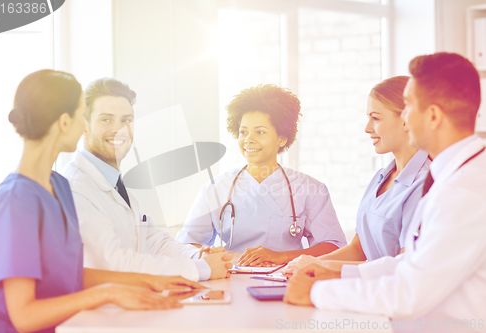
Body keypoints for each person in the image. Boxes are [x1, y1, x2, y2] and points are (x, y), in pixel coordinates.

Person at [0, 70, 205, 333]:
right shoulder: (16, 200)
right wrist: (108, 293)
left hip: (70, 325)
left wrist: (148, 281)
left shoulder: (59, 186)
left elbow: (71, 273)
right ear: (65, 122)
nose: (84, 126)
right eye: (82, 116)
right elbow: (23, 315)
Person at [284, 53, 486, 332]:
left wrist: (317, 292)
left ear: (433, 116)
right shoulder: (453, 176)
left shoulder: (466, 190)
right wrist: (337, 271)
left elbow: (410, 293)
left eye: (408, 107)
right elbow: (413, 262)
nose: (404, 118)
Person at [61, 78, 232, 282]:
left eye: (126, 120)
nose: (119, 129)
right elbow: (113, 264)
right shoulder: (75, 187)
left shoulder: (114, 183)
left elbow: (153, 241)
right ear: (84, 126)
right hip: (100, 310)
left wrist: (197, 256)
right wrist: (201, 269)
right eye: (106, 119)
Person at [177, 84, 346, 267]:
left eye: (260, 132)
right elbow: (186, 245)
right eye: (243, 132)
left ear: (282, 138)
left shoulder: (310, 190)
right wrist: (210, 255)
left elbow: (333, 247)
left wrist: (281, 257)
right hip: (229, 278)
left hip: (287, 281)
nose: (248, 139)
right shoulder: (215, 189)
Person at [283, 76, 430, 277]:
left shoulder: (425, 184)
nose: (367, 128)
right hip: (370, 290)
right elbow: (358, 249)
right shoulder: (381, 177)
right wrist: (306, 265)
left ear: (406, 119)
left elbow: (403, 268)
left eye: (376, 118)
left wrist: (323, 268)